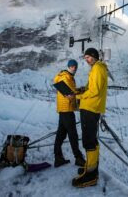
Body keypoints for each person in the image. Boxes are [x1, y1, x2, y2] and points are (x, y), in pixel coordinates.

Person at [72, 48, 108, 188]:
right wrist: (82, 89)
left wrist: (79, 96)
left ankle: (91, 175)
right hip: (91, 107)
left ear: (93, 56)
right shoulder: (96, 68)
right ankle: (91, 167)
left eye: (88, 57)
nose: (86, 60)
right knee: (92, 139)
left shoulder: (98, 68)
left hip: (91, 108)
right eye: (85, 57)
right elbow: (92, 87)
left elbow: (95, 91)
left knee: (88, 141)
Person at [53, 59, 85, 168]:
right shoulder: (66, 77)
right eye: (72, 67)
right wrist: (81, 90)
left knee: (61, 134)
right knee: (73, 135)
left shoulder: (64, 76)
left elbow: (70, 90)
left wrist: (77, 89)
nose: (74, 69)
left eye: (75, 67)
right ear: (69, 67)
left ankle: (58, 158)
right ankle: (78, 158)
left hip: (63, 109)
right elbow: (70, 93)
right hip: (67, 109)